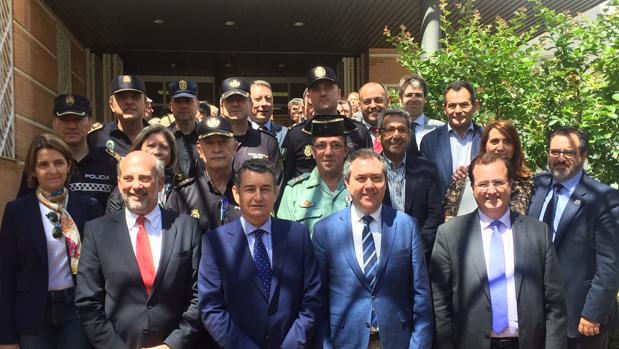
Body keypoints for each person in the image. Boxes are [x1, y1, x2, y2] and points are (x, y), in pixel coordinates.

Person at [431, 153, 567, 349]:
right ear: (473, 188)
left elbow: (555, 303)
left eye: (498, 182)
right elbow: (440, 304)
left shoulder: (538, 232)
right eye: (483, 184)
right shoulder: (450, 235)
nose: (491, 190)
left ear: (510, 184)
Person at [75, 151, 202, 349]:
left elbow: (198, 295)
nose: (136, 186)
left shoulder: (187, 227)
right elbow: (88, 302)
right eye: (128, 178)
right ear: (119, 184)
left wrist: (172, 345)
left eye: (144, 178)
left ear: (160, 183)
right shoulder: (97, 231)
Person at [312, 149, 433, 349]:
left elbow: (420, 295)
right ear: (347, 183)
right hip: (344, 341)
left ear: (386, 182)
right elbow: (318, 299)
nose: (369, 185)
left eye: (376, 178)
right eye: (361, 178)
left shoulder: (406, 226)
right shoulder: (325, 230)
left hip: (397, 341)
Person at [199, 159, 322, 349]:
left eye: (265, 189)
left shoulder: (297, 235)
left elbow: (312, 298)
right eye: (250, 189)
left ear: (276, 193)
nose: (258, 197)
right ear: (236, 193)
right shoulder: (215, 243)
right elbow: (211, 307)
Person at [0, 133, 101, 349]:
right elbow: (6, 275)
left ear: (69, 166)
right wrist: (6, 337)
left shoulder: (89, 207)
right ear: (33, 171)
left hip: (75, 307)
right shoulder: (17, 212)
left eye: (58, 163)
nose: (52, 170)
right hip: (32, 310)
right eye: (43, 164)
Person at [528, 128, 619, 349]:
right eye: (554, 152)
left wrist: (593, 312)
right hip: (536, 312)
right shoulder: (537, 186)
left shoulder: (604, 199)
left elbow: (611, 263)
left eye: (568, 152)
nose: (560, 158)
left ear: (583, 155)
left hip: (581, 316)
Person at [16, 94, 117, 208]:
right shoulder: (41, 163)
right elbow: (24, 207)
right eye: (64, 120)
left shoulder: (109, 162)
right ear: (54, 123)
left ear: (90, 122)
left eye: (78, 119)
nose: (72, 126)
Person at [281, 66, 371, 185]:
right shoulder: (296, 134)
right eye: (317, 89)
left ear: (338, 94)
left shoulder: (358, 131)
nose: (323, 93)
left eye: (328, 88)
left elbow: (370, 171)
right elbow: (286, 179)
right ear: (309, 97)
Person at [378, 108, 444, 259]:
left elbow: (434, 215)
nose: (396, 135)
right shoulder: (370, 170)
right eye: (389, 130)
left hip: (420, 254)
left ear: (408, 134)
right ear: (379, 134)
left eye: (402, 130)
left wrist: (417, 249)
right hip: (380, 255)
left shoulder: (426, 169)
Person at [277, 115, 354, 235]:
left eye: (336, 145)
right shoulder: (294, 192)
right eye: (321, 146)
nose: (328, 152)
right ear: (313, 152)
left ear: (345, 151)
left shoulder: (358, 188)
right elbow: (286, 242)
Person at [444, 120, 533, 221]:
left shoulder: (528, 183)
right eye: (494, 141)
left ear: (515, 146)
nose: (500, 148)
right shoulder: (465, 178)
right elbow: (448, 217)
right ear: (485, 145)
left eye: (507, 142)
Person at [166, 115, 241, 232]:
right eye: (210, 143)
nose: (217, 149)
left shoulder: (250, 190)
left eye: (223, 142)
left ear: (235, 147)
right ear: (199, 150)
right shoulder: (182, 195)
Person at [420, 80, 483, 197]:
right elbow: (425, 184)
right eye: (452, 106)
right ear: (444, 109)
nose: (458, 111)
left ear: (475, 106)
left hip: (482, 209)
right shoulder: (430, 141)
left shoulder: (487, 138)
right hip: (442, 211)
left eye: (464, 105)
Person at [105, 124, 182, 214]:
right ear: (139, 149)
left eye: (163, 147)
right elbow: (112, 223)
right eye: (151, 145)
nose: (157, 151)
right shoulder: (124, 189)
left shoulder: (181, 187)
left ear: (171, 153)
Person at [219, 77, 282, 184]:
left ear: (250, 104)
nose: (235, 104)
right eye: (230, 100)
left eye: (240, 100)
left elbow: (275, 186)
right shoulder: (211, 141)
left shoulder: (268, 142)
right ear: (221, 106)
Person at [89, 75, 147, 157]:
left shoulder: (157, 136)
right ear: (111, 105)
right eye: (122, 97)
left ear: (146, 104)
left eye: (135, 97)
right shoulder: (96, 137)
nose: (129, 101)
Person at [398, 74, 444, 155]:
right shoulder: (391, 130)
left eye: (418, 95)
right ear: (400, 100)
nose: (413, 99)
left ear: (425, 99)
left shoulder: (440, 128)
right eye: (408, 95)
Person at [167, 79, 201, 178]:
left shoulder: (207, 136)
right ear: (171, 106)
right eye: (178, 102)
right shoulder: (162, 137)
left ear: (197, 105)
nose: (183, 106)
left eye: (188, 101)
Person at [250, 80, 288, 146]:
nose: (264, 103)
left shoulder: (286, 134)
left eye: (268, 99)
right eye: (258, 99)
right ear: (248, 102)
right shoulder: (238, 132)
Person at [358, 82, 390, 153]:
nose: (373, 106)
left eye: (378, 100)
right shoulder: (352, 135)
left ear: (388, 102)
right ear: (359, 105)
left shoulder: (401, 132)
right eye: (367, 102)